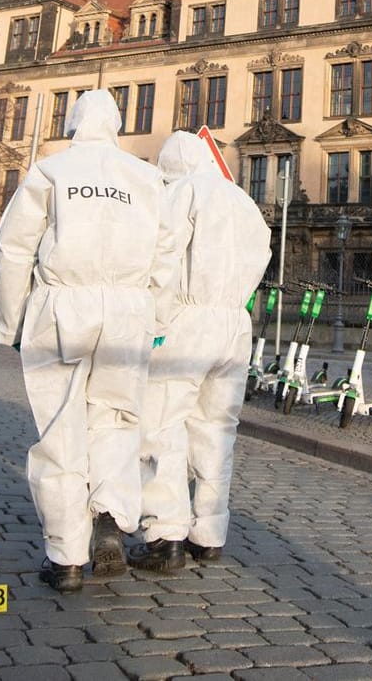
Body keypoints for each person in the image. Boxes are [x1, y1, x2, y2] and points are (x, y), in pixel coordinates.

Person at [0, 90, 171, 593]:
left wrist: (10, 323)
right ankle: (111, 518)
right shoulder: (146, 176)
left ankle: (66, 556)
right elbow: (167, 255)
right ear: (116, 126)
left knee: (61, 425)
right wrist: (153, 317)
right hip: (128, 309)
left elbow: (13, 249)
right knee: (116, 418)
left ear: (73, 124)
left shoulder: (52, 171)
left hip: (64, 305)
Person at [130, 132, 272, 572]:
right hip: (233, 323)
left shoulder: (184, 193)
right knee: (217, 430)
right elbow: (263, 252)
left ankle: (165, 534)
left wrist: (153, 320)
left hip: (187, 320)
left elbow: (164, 259)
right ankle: (209, 533)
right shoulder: (242, 200)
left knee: (162, 424)